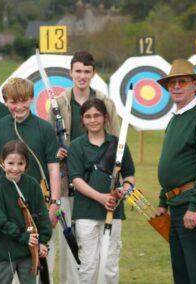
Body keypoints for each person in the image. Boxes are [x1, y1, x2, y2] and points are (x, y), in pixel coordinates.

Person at [49, 51, 120, 283]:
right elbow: (50, 143)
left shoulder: (106, 103)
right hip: (69, 184)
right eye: (77, 71)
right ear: (70, 72)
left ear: (93, 73)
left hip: (99, 185)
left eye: (86, 71)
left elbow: (116, 144)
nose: (82, 76)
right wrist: (56, 153)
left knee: (101, 247)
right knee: (71, 244)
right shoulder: (58, 104)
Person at [0, 77, 61, 282]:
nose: (19, 106)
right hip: (6, 203)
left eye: (24, 101)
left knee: (39, 260)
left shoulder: (44, 128)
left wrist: (54, 203)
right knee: (7, 259)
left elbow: (53, 167)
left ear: (31, 99)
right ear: (5, 100)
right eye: (13, 101)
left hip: (37, 200)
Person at [156, 59, 196, 284]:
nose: (175, 86)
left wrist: (195, 207)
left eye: (182, 82)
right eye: (172, 82)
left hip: (194, 207)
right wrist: (163, 201)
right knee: (182, 274)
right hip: (176, 206)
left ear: (195, 85)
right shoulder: (176, 119)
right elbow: (173, 164)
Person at [67, 98, 135, 284]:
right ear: (82, 120)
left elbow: (129, 175)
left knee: (109, 265)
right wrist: (101, 197)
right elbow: (76, 179)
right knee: (89, 266)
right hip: (86, 213)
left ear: (105, 117)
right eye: (88, 116)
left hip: (113, 212)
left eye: (97, 115)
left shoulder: (119, 145)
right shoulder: (76, 146)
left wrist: (124, 189)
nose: (93, 120)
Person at [0, 140, 52, 284]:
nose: (15, 168)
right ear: (2, 162)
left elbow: (42, 216)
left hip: (28, 253)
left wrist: (42, 241)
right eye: (10, 163)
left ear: (27, 164)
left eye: (20, 164)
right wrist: (23, 237)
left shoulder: (33, 185)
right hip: (3, 252)